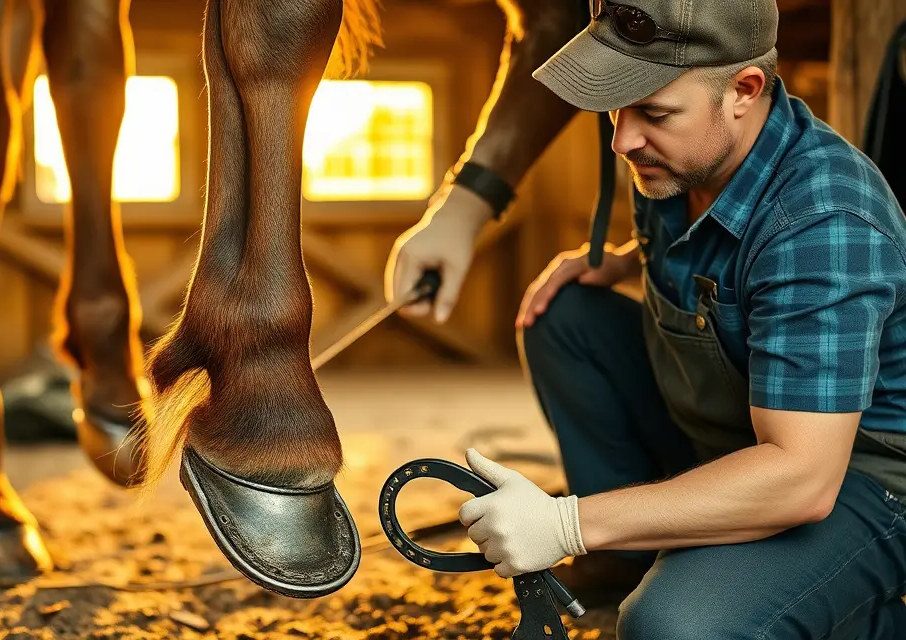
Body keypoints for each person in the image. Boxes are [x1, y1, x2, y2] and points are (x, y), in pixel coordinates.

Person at [385, 0, 906, 636]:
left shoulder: (826, 221)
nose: (623, 139)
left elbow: (800, 479)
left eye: (654, 113)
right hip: (739, 430)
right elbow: (729, 255)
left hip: (846, 478)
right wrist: (623, 262)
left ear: (744, 89)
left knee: (675, 626)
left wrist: (566, 525)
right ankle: (630, 557)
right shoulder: (685, 154)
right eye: (617, 106)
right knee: (567, 314)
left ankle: (857, 610)